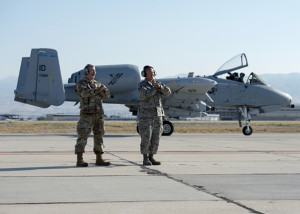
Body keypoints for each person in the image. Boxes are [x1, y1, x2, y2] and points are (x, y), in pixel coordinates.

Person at [74, 64, 110, 167]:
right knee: (83, 136)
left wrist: (102, 89)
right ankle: (79, 159)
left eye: (94, 71)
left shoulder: (98, 83)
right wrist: (98, 90)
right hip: (87, 115)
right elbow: (85, 93)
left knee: (99, 136)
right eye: (91, 71)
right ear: (86, 72)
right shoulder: (81, 84)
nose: (94, 72)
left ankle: (99, 158)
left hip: (98, 115)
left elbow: (106, 94)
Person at [138, 65, 171, 165]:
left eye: (153, 72)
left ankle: (152, 156)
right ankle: (145, 158)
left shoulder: (158, 84)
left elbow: (168, 92)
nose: (152, 74)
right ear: (144, 74)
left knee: (156, 136)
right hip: (146, 116)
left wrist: (160, 87)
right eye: (150, 72)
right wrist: (155, 88)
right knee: (146, 137)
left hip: (158, 115)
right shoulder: (142, 85)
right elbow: (145, 94)